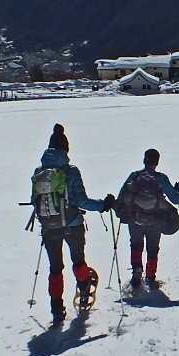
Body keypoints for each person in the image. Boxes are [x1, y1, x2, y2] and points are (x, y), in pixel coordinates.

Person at [31, 124, 114, 324]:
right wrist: (103, 205)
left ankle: (57, 309)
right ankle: (84, 286)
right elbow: (82, 201)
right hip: (72, 225)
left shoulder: (39, 171)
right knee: (78, 261)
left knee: (55, 268)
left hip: (49, 227)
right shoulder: (71, 171)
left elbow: (35, 201)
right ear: (66, 150)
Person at [116, 149, 179, 293]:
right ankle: (151, 278)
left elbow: (122, 195)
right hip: (155, 221)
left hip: (135, 219)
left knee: (135, 245)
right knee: (153, 249)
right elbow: (175, 200)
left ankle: (136, 272)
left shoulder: (134, 176)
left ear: (144, 160)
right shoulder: (161, 178)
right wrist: (177, 191)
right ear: (156, 162)